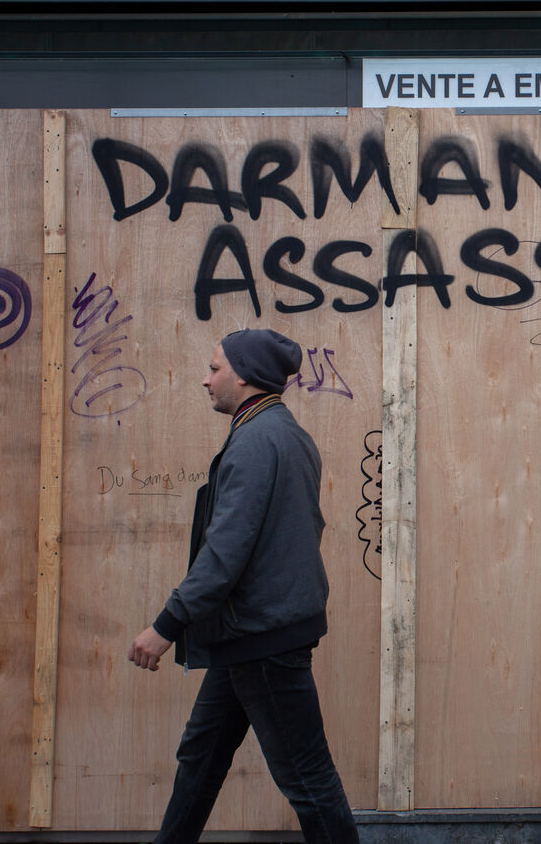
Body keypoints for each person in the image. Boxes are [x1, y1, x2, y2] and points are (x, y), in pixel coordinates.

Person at [128, 328, 359, 844]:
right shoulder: (282, 432)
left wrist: (166, 626)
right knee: (202, 756)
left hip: (262, 637)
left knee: (307, 778)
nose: (205, 380)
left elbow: (225, 553)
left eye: (214, 369)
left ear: (246, 376)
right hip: (248, 634)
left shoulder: (257, 441)